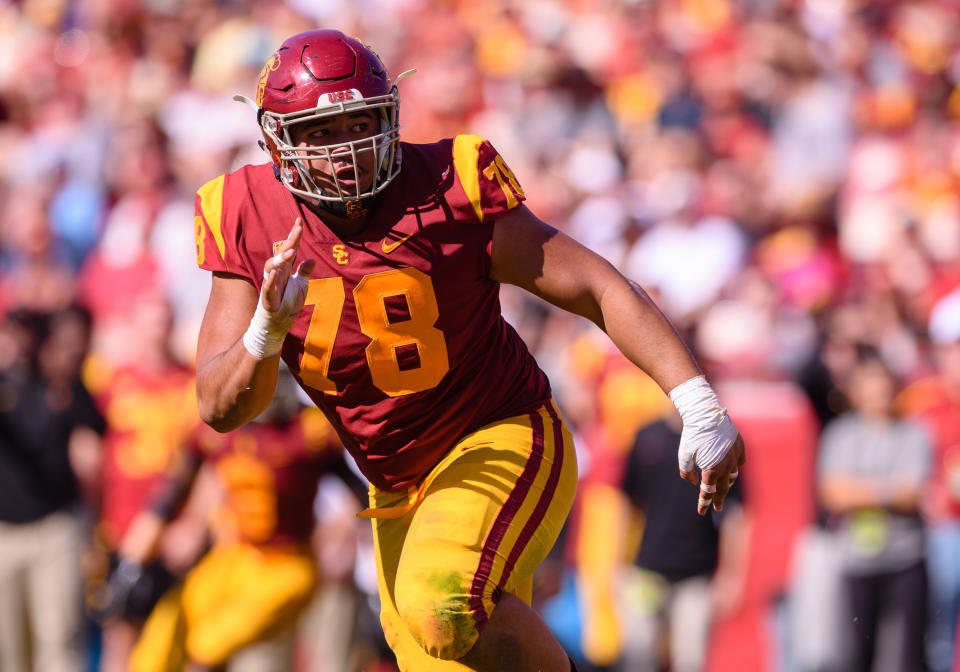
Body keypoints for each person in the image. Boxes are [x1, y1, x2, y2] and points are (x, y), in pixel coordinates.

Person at [193, 29, 745, 672]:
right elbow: (220, 407)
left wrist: (696, 399)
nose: (347, 150)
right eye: (322, 133)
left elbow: (595, 286)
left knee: (440, 602)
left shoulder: (446, 189)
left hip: (500, 435)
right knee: (441, 648)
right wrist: (264, 331)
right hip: (397, 486)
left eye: (361, 123)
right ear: (276, 142)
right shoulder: (246, 213)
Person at [97, 365, 366, 671]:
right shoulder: (219, 428)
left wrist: (347, 533)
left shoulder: (309, 430)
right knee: (163, 636)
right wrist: (132, 563)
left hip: (288, 564)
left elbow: (359, 490)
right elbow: (168, 499)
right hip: (234, 556)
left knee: (210, 645)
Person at [817, 348, 931, 672]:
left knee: (911, 655)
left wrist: (859, 489)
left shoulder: (913, 434)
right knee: (856, 654)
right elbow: (832, 494)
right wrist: (889, 489)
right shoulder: (840, 435)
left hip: (906, 558)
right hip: (857, 559)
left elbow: (913, 493)